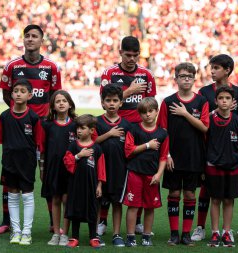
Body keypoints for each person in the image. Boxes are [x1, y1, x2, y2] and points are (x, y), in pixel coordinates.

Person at [0, 24, 62, 234]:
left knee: (49, 173)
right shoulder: (12, 66)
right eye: (27, 36)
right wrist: (18, 115)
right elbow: (7, 93)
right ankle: (6, 221)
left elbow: (55, 96)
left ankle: (54, 221)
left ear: (42, 41)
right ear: (23, 40)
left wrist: (45, 120)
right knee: (10, 174)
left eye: (35, 36)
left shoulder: (51, 67)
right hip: (18, 127)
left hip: (44, 128)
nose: (30, 39)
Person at [99, 36, 156, 235]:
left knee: (137, 175)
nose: (131, 59)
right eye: (127, 55)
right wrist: (129, 91)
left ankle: (138, 221)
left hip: (139, 132)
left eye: (135, 55)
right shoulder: (110, 73)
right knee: (108, 173)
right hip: (115, 129)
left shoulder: (147, 75)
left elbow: (151, 105)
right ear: (120, 52)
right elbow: (104, 101)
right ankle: (102, 220)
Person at [192, 54, 238, 241]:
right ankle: (201, 227)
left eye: (216, 68)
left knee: (226, 196)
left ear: (227, 70)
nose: (212, 71)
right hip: (208, 150)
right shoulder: (204, 92)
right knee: (205, 189)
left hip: (230, 152)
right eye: (211, 67)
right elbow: (200, 120)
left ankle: (225, 230)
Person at [157, 62, 209, 246]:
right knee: (174, 193)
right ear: (176, 79)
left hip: (194, 156)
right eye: (182, 76)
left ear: (194, 79)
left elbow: (204, 127)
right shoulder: (168, 102)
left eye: (189, 76)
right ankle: (173, 234)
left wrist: (186, 114)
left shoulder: (201, 102)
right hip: (173, 157)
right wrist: (167, 154)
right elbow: (162, 131)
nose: (186, 79)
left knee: (189, 194)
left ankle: (186, 234)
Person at [0, 79, 42, 245]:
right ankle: (15, 231)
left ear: (30, 95)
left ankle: (26, 232)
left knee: (28, 196)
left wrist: (40, 166)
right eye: (16, 90)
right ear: (11, 94)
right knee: (13, 196)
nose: (18, 93)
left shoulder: (34, 117)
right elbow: (1, 139)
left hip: (27, 163)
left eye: (22, 91)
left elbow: (38, 143)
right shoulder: (4, 116)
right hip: (9, 162)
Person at [123, 97, 169, 247]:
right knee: (133, 206)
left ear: (156, 112)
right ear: (139, 114)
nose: (147, 114)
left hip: (152, 175)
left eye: (151, 111)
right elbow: (129, 151)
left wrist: (159, 174)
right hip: (135, 173)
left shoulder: (163, 134)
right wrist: (148, 145)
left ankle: (146, 236)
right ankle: (130, 236)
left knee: (150, 207)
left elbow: (163, 156)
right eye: (144, 112)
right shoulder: (134, 129)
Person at [204, 85, 238, 247]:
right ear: (215, 101)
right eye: (221, 98)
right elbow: (204, 140)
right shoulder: (209, 118)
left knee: (229, 200)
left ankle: (227, 231)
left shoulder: (237, 120)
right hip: (213, 164)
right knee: (215, 199)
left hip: (232, 164)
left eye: (227, 98)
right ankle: (215, 232)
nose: (224, 101)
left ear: (232, 101)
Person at [93, 84, 131, 247]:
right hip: (99, 171)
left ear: (121, 103)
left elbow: (129, 149)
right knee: (98, 201)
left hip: (119, 170)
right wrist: (109, 134)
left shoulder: (128, 125)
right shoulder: (96, 122)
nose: (111, 104)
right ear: (102, 103)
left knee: (117, 202)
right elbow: (91, 142)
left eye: (115, 100)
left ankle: (116, 234)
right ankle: (95, 233)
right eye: (108, 100)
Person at [63, 114, 106, 248]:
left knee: (92, 210)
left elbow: (101, 168)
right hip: (75, 186)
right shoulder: (73, 146)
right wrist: (79, 156)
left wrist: (99, 185)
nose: (79, 131)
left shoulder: (97, 148)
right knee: (75, 210)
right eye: (78, 128)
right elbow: (67, 162)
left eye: (82, 128)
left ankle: (93, 237)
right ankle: (74, 237)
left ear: (92, 130)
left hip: (92, 186)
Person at [41, 90, 77, 246]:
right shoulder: (47, 124)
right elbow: (41, 149)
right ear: (53, 106)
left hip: (70, 170)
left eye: (64, 100)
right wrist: (42, 169)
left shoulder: (76, 124)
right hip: (53, 168)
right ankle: (56, 233)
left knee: (66, 200)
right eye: (58, 101)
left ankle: (65, 233)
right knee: (55, 199)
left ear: (70, 104)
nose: (61, 103)